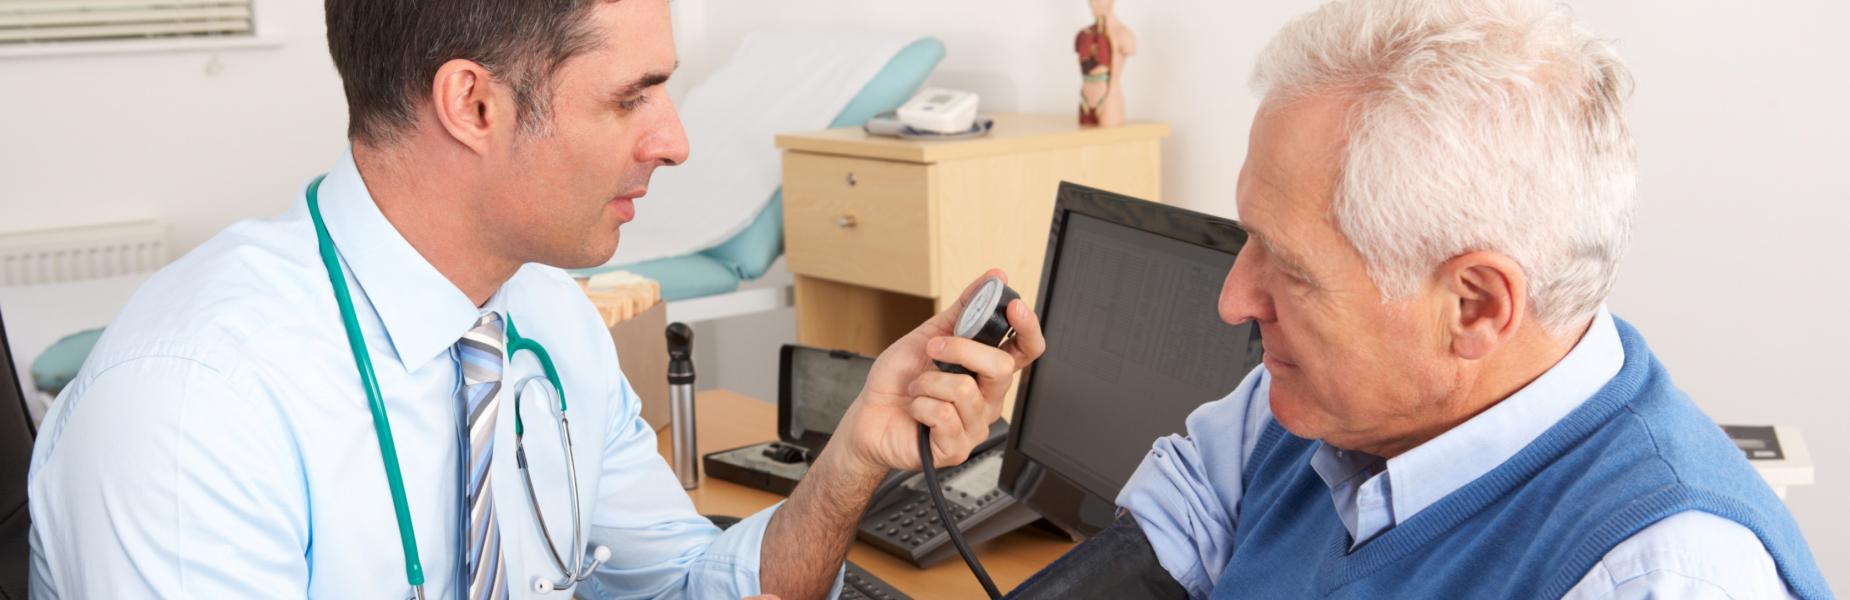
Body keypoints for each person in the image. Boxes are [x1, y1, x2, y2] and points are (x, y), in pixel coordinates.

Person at [24, 1, 1044, 598]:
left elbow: (696, 590)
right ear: (474, 105)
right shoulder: (195, 410)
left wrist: (854, 455)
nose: (675, 139)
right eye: (630, 95)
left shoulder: (548, 323)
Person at [1035, 0, 1832, 598]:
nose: (1236, 299)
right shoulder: (1307, 403)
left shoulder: (1657, 573)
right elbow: (1162, 546)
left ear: (1476, 306)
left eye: (1292, 266)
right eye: (1251, 238)